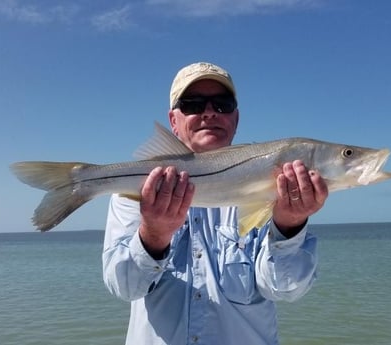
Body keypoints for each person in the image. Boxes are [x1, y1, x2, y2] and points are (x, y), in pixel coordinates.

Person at [102, 62, 329, 345]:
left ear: (235, 118)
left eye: (222, 104)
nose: (209, 112)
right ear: (173, 120)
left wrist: (290, 226)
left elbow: (285, 289)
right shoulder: (138, 190)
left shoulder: (275, 187)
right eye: (193, 104)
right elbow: (124, 287)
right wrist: (153, 236)